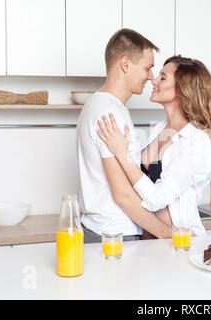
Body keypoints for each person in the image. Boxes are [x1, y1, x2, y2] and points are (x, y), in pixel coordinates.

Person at [97, 55, 211, 237]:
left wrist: (122, 154)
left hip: (179, 244)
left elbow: (157, 199)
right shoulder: (160, 128)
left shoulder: (196, 142)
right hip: (149, 240)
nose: (153, 80)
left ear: (182, 89)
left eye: (163, 78)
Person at [76, 28, 174, 243]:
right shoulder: (111, 113)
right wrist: (169, 234)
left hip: (99, 229)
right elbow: (123, 195)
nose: (150, 77)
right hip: (115, 234)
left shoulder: (95, 104)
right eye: (148, 68)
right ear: (125, 64)